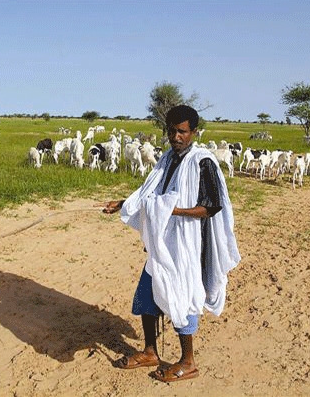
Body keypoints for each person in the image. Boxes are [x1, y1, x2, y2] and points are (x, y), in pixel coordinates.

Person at [102, 105, 241, 382]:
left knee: (182, 299)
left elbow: (212, 206)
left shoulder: (203, 162)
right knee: (146, 294)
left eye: (182, 131)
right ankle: (150, 352)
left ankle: (188, 362)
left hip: (188, 247)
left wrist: (173, 211)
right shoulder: (166, 159)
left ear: (194, 133)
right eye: (171, 131)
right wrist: (123, 204)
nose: (176, 137)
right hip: (162, 242)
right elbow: (149, 192)